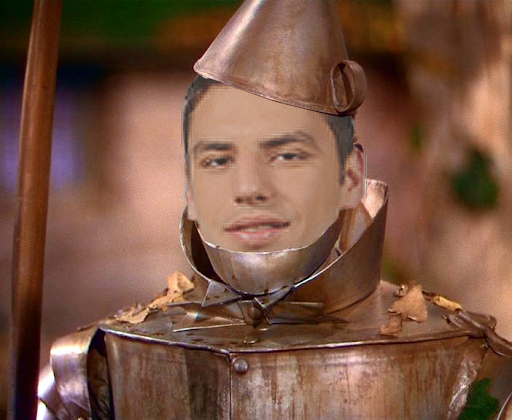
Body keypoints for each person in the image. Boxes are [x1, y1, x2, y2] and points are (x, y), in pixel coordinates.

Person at [38, 1, 512, 419]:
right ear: (191, 188)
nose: (249, 189)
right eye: (218, 160)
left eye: (286, 156)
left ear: (349, 178)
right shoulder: (97, 369)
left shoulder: (472, 371)